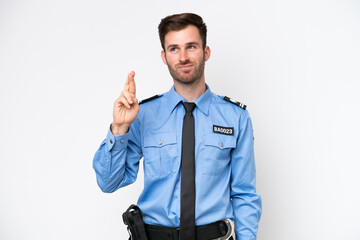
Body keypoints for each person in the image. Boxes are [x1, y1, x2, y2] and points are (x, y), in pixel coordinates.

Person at [93, 13, 262, 240]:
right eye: (174, 49)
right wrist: (120, 127)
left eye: (191, 47)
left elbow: (244, 194)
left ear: (206, 52)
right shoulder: (143, 115)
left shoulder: (235, 118)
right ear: (164, 56)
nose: (183, 57)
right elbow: (108, 182)